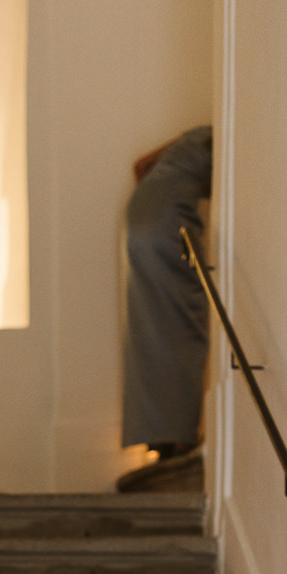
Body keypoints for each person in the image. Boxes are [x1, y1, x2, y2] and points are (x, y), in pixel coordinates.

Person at [118, 126, 213, 492]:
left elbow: (140, 166)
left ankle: (159, 437)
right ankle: (181, 437)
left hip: (140, 217)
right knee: (187, 325)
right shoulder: (224, 136)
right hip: (169, 222)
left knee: (151, 326)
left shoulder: (195, 137)